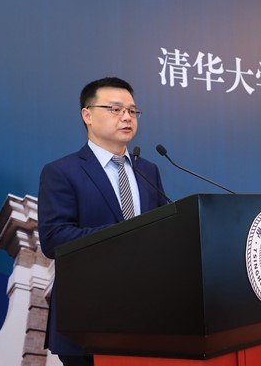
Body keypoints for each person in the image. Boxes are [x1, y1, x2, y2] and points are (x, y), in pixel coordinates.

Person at [38, 77, 168, 366]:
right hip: (88, 318)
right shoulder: (62, 171)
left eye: (132, 111)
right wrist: (125, 235)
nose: (127, 117)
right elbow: (54, 238)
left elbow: (163, 230)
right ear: (87, 115)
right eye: (115, 109)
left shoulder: (148, 170)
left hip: (148, 318)